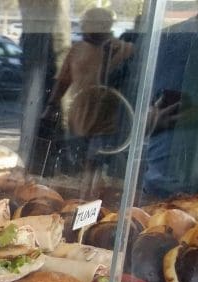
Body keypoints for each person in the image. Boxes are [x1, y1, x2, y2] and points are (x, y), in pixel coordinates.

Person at [44, 7, 134, 197]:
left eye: (88, 24)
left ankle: (92, 199)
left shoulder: (123, 49)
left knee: (96, 166)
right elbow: (63, 81)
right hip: (78, 119)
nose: (84, 28)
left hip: (107, 122)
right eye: (84, 24)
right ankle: (79, 199)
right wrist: (51, 106)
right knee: (77, 166)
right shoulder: (77, 49)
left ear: (104, 25)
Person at [142, 3, 198, 198]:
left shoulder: (167, 38)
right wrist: (153, 121)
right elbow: (132, 118)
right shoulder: (165, 40)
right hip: (163, 185)